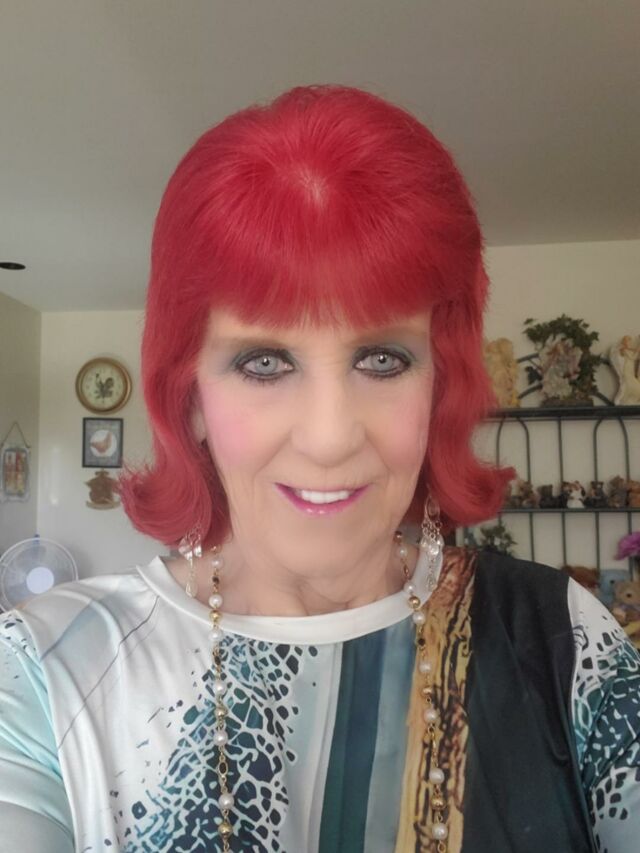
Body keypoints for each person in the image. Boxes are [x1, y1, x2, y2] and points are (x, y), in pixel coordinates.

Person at [0, 84, 638, 853]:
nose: (331, 437)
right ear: (191, 397)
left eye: (382, 358)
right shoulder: (47, 672)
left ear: (439, 382)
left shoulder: (560, 637)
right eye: (265, 362)